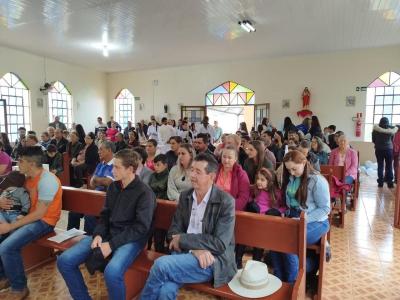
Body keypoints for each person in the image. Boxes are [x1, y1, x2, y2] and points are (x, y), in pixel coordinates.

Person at [57, 149, 156, 300]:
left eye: (117, 167)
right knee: (65, 261)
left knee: (112, 271)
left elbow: (141, 228)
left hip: (132, 239)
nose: (112, 170)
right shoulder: (114, 187)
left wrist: (111, 245)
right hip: (108, 234)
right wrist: (98, 234)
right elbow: (105, 215)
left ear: (130, 169)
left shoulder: (145, 193)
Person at [140, 153, 236, 299]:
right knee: (166, 290)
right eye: (192, 170)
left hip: (211, 261)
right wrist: (194, 250)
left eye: (198, 172)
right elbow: (173, 232)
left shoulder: (225, 202)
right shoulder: (186, 196)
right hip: (184, 254)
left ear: (211, 177)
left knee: (161, 265)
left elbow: (219, 243)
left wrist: (184, 241)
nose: (192, 175)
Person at [0, 146, 62, 298]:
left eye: (20, 161)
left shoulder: (48, 181)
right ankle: (5, 277)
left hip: (44, 222)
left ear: (32, 164)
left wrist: (11, 226)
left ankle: (19, 287)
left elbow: (39, 214)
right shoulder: (25, 177)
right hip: (27, 217)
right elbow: (7, 191)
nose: (17, 163)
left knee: (7, 247)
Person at [271, 150, 330, 284]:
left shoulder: (317, 180)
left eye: (294, 169)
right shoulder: (292, 177)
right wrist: (284, 213)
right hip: (295, 216)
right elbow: (290, 203)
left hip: (316, 221)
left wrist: (302, 219)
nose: (291, 172)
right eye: (288, 169)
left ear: (304, 163)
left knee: (288, 240)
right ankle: (279, 278)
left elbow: (325, 209)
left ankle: (293, 283)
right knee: (273, 237)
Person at [246, 168, 286, 261]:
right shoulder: (255, 189)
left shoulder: (276, 193)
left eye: (262, 180)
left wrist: (278, 211)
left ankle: (256, 260)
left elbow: (283, 207)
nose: (259, 182)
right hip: (256, 221)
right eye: (258, 179)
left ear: (270, 181)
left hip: (268, 223)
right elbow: (248, 198)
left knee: (260, 237)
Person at [215, 146, 250, 211]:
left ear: (235, 159)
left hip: (230, 209)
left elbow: (243, 198)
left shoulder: (241, 174)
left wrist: (228, 208)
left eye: (229, 157)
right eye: (224, 156)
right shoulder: (215, 170)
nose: (226, 160)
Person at [372, 117, 397, 188]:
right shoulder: (391, 130)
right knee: (389, 166)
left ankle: (380, 182)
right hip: (389, 149)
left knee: (380, 165)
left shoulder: (376, 130)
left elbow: (373, 140)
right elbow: (392, 139)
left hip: (379, 149)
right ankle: (390, 183)